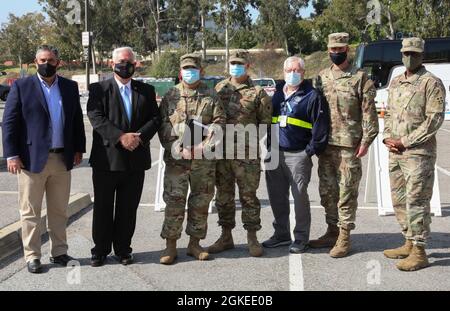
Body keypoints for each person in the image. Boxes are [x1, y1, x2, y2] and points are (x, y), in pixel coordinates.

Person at [2, 45, 86, 273]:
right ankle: (32, 256)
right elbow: (9, 123)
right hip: (31, 161)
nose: (46, 63)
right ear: (35, 61)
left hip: (62, 159)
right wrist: (11, 154)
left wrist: (79, 148)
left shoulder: (69, 87)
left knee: (59, 210)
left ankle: (59, 252)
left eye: (50, 59)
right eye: (42, 60)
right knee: (30, 211)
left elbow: (77, 119)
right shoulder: (21, 86)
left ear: (58, 62)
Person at [87, 47, 161, 267]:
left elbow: (155, 118)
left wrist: (139, 137)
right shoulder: (99, 89)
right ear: (112, 64)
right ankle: (99, 250)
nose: (125, 65)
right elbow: (96, 117)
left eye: (129, 62)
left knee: (128, 209)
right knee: (103, 207)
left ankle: (123, 249)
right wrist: (120, 137)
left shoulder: (146, 90)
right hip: (107, 161)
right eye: (120, 61)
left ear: (136, 64)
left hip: (135, 160)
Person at [310, 33, 379, 258]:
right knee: (327, 192)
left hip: (350, 145)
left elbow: (370, 113)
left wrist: (367, 141)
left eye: (340, 49)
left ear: (347, 50)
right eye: (332, 49)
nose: (336, 53)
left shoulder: (361, 78)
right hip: (326, 146)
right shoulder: (321, 77)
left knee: (346, 193)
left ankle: (345, 236)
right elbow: (314, 111)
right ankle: (332, 230)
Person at [383, 37, 446, 271]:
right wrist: (387, 137)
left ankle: (420, 251)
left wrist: (405, 141)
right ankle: (408, 241)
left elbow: (434, 120)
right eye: (406, 53)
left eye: (415, 53)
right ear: (401, 54)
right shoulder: (397, 82)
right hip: (395, 152)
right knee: (399, 198)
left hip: (419, 154)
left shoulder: (431, 83)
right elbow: (388, 112)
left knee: (417, 201)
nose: (410, 57)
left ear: (422, 55)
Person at [158, 53, 226, 265]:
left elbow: (219, 123)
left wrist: (202, 147)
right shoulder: (170, 95)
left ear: (201, 71)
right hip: (177, 161)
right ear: (180, 71)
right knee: (174, 202)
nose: (190, 72)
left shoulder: (211, 95)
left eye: (194, 68)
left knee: (200, 201)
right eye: (186, 68)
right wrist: (176, 147)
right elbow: (162, 125)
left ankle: (194, 244)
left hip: (202, 161)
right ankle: (171, 245)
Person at [208, 49, 272, 257]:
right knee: (224, 197)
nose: (235, 66)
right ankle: (226, 236)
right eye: (233, 63)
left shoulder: (258, 93)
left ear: (247, 66)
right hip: (222, 154)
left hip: (247, 155)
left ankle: (252, 237)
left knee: (249, 197)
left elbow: (265, 123)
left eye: (240, 63)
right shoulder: (219, 88)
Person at [263, 56, 330, 253]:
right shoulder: (276, 94)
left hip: (298, 154)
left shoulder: (312, 96)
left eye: (297, 70)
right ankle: (281, 234)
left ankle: (301, 237)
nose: (293, 74)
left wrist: (308, 151)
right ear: (283, 72)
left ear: (303, 72)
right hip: (274, 153)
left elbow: (320, 128)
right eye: (289, 70)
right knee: (276, 196)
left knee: (299, 196)